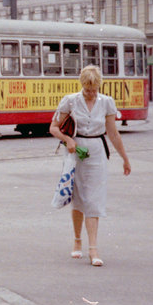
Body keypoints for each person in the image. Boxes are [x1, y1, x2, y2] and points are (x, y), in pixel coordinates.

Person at [49, 65, 131, 266]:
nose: (91, 93)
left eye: (94, 90)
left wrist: (125, 158)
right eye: (87, 90)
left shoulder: (107, 103)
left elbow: (112, 133)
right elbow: (53, 128)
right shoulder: (70, 101)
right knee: (78, 198)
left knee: (94, 198)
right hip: (76, 151)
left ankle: (93, 248)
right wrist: (68, 140)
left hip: (97, 151)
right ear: (82, 86)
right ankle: (77, 241)